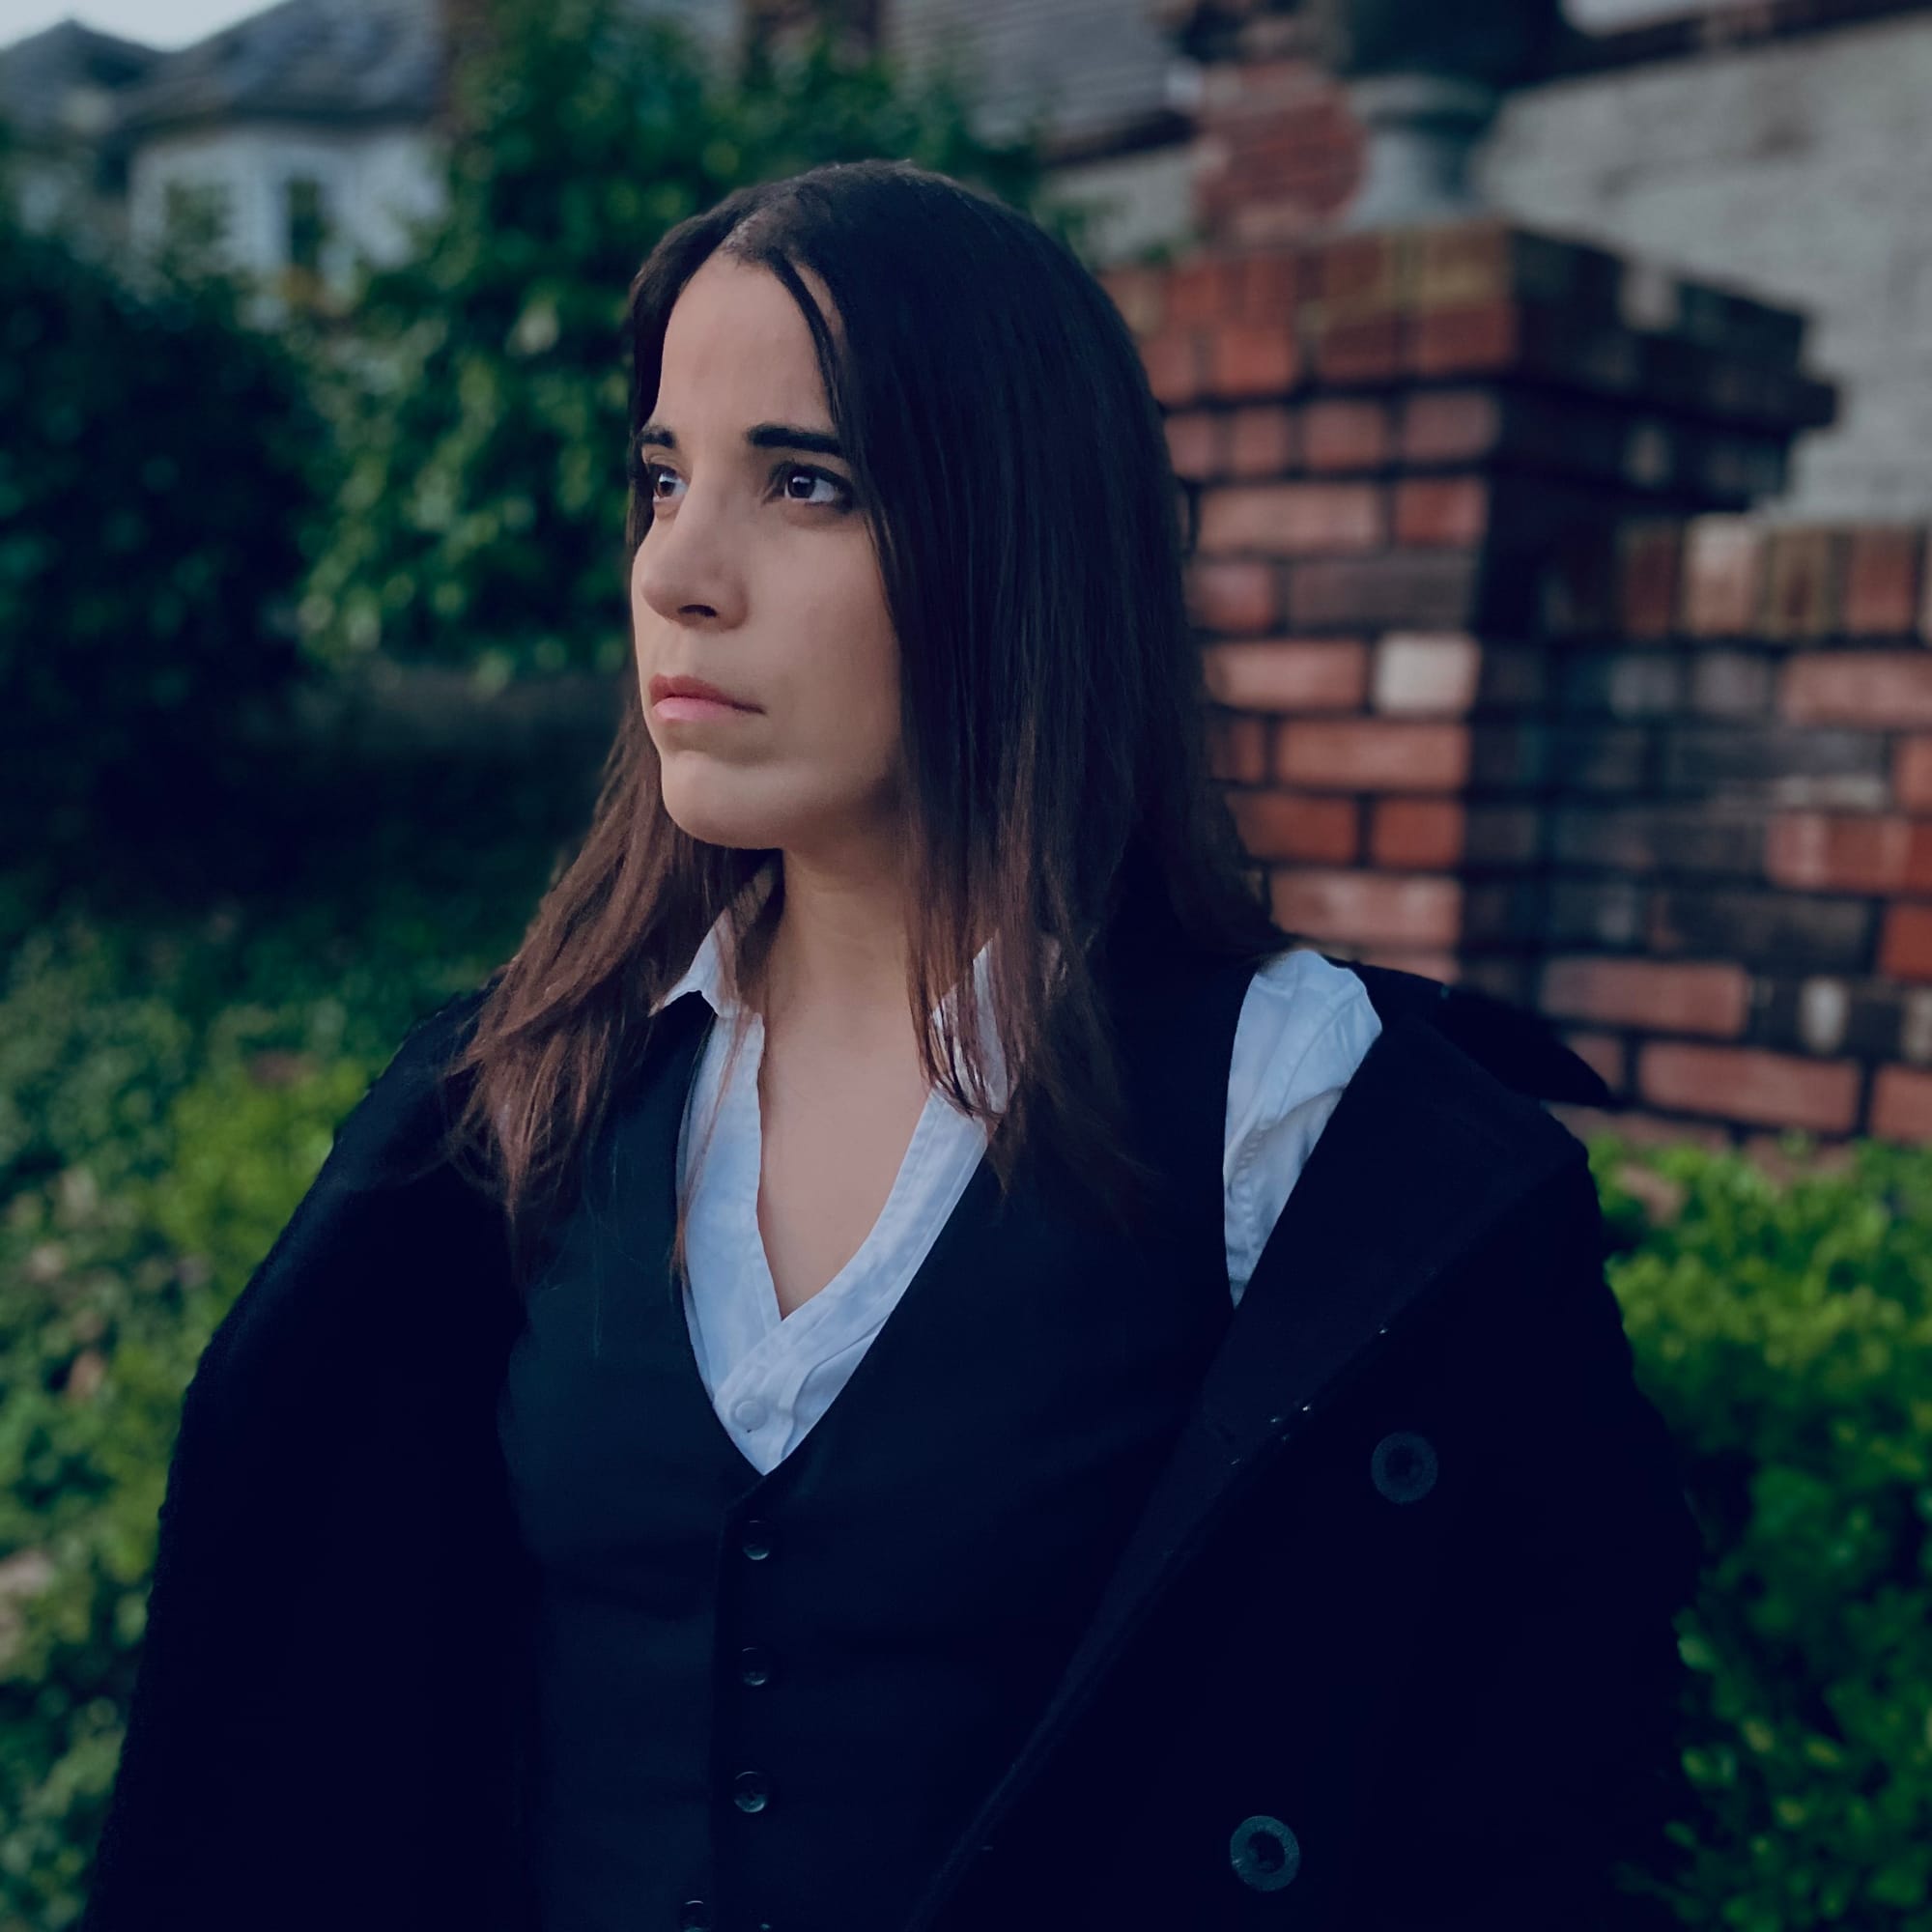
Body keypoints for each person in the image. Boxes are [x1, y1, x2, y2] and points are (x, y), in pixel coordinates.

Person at [83, 158, 1705, 1932]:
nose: (677, 573)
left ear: (1015, 538)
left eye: (805, 483)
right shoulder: (526, 1097)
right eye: (661, 478)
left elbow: (1523, 1802)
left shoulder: (1303, 1121)